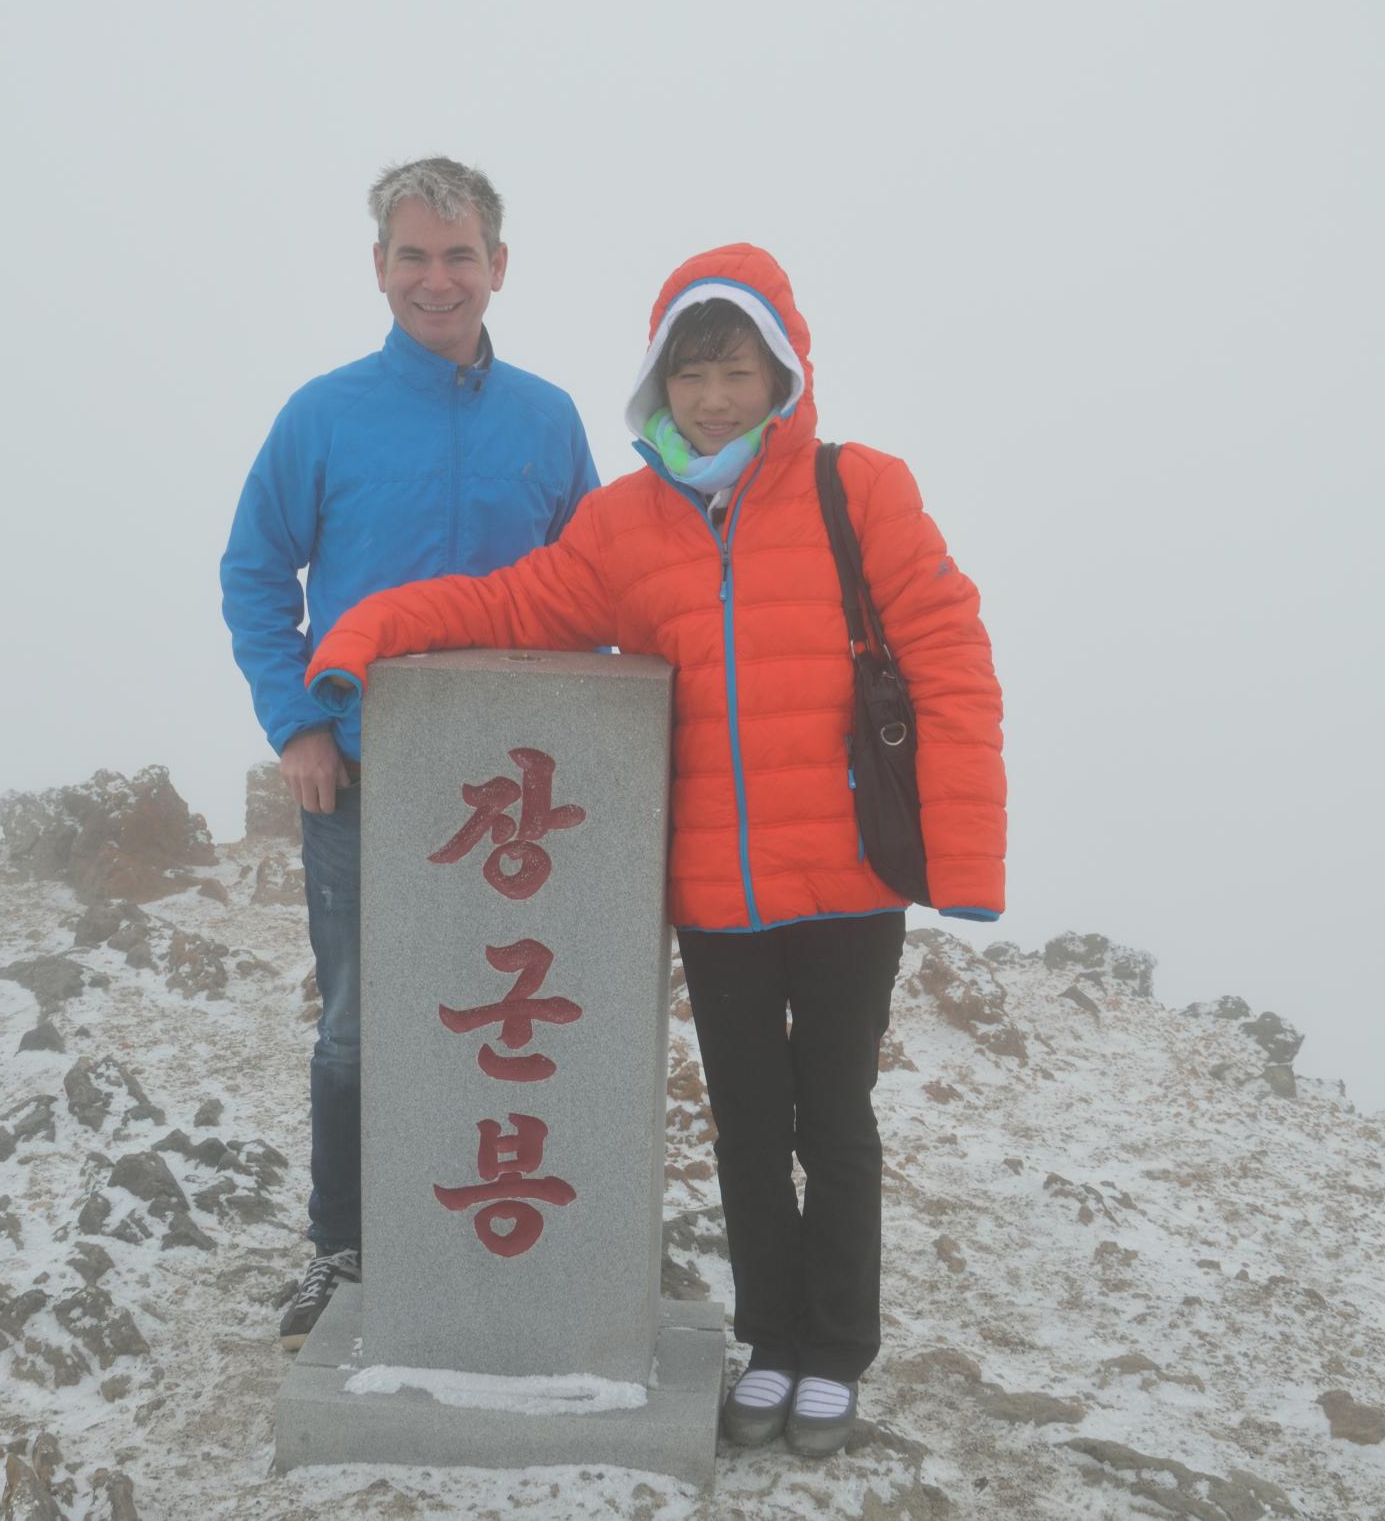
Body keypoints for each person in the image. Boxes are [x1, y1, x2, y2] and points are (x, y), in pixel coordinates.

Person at [302, 244, 1005, 1456]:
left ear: (781, 375)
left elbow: (950, 656)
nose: (715, 400)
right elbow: (510, 603)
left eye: (737, 372)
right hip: (718, 894)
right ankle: (770, 1344)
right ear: (659, 384)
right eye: (692, 375)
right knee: (748, 1127)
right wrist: (366, 629)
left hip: (849, 881)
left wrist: (966, 857)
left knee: (834, 1121)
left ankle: (836, 1352)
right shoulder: (626, 527)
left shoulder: (859, 490)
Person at [220, 157, 600, 1348]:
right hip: (362, 777)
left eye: (460, 255)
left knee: (510, 1017)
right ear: (378, 267)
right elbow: (253, 573)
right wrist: (298, 723)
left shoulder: (548, 419)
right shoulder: (322, 415)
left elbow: (594, 585)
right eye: (414, 256)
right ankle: (344, 1245)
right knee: (357, 1025)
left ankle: (502, 1236)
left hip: (519, 794)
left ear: (500, 265)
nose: (438, 280)